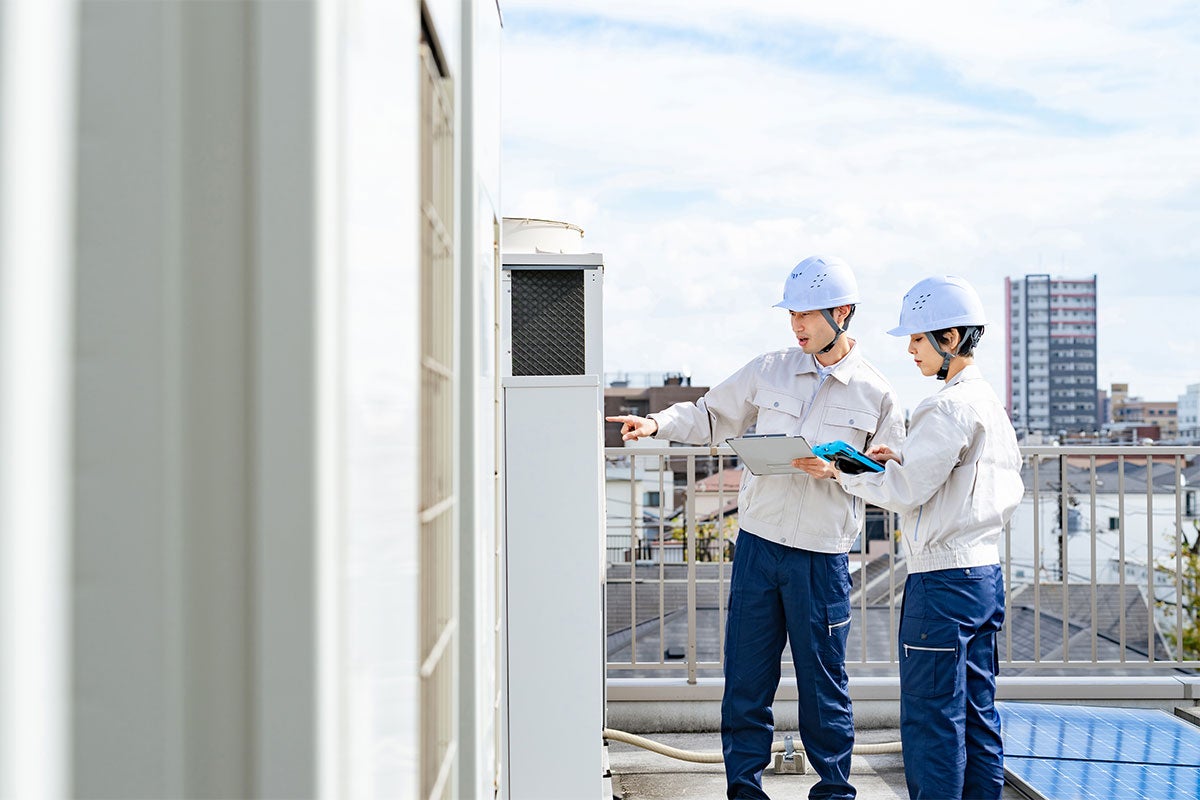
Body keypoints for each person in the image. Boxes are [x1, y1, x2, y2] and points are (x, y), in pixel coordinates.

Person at [607, 256, 905, 800]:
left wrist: (839, 468)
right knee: (746, 679)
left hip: (821, 556)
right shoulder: (768, 369)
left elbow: (890, 476)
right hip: (758, 546)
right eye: (791, 314)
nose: (796, 326)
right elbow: (709, 414)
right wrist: (655, 423)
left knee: (824, 685)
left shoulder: (877, 393)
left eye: (807, 315)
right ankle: (744, 789)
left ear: (842, 313)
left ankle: (835, 791)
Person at [795, 275, 1023, 800]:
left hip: (941, 583)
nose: (910, 351)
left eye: (918, 340)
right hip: (984, 575)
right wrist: (898, 458)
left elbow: (903, 491)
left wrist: (840, 472)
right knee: (976, 712)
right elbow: (951, 477)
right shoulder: (989, 402)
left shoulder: (944, 407)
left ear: (949, 338)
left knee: (931, 718)